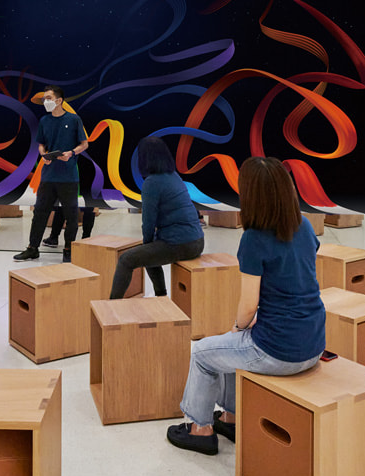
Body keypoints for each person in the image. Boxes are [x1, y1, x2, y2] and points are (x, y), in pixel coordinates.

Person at [166, 156, 326, 456]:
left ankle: (200, 429)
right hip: (315, 343)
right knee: (231, 345)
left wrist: (238, 326)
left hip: (280, 351)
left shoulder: (254, 239)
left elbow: (249, 305)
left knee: (202, 353)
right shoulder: (304, 225)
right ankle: (231, 417)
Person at [109, 137, 205, 299]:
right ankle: (161, 297)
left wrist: (147, 243)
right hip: (197, 241)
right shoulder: (173, 175)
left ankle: (111, 305)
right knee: (149, 250)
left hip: (180, 244)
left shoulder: (152, 183)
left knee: (126, 260)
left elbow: (148, 222)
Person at [14, 86, 88, 263]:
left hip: (68, 177)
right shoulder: (44, 120)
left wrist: (71, 152)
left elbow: (84, 144)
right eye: (44, 99)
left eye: (48, 98)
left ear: (59, 100)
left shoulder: (74, 119)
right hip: (48, 176)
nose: (45, 101)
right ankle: (32, 248)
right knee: (40, 213)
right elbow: (41, 144)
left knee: (71, 216)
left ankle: (68, 249)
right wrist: (43, 154)